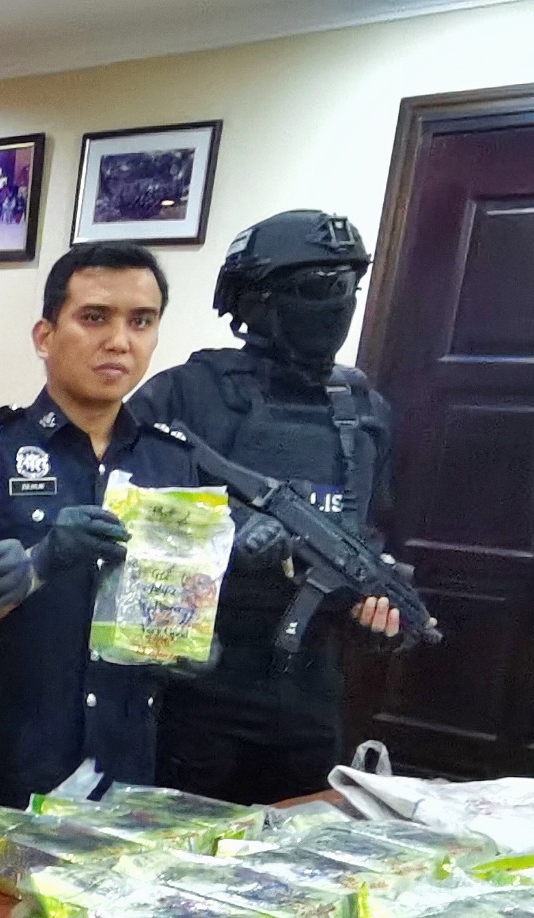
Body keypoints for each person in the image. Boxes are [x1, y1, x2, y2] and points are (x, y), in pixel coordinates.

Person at [137, 210, 403, 804]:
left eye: (347, 286)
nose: (336, 304)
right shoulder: (186, 393)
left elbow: (371, 532)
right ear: (254, 300)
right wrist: (223, 535)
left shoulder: (365, 412)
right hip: (195, 682)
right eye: (316, 288)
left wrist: (374, 616)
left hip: (309, 688)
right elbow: (124, 517)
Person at [0, 242, 203, 831]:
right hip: (2, 767)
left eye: (141, 321)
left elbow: (181, 607)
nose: (119, 341)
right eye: (95, 317)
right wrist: (40, 561)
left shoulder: (172, 461)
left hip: (126, 767)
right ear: (44, 335)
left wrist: (190, 642)